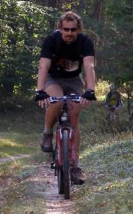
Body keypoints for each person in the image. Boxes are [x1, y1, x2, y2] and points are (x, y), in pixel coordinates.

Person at [34, 11, 96, 185]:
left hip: (74, 80)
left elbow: (89, 66)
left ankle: (75, 167)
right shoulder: (51, 40)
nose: (69, 33)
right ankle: (47, 133)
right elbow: (43, 66)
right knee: (58, 100)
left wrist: (90, 90)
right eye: (66, 29)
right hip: (52, 79)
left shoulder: (85, 42)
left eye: (73, 30)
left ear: (78, 30)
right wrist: (40, 91)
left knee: (74, 120)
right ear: (60, 29)